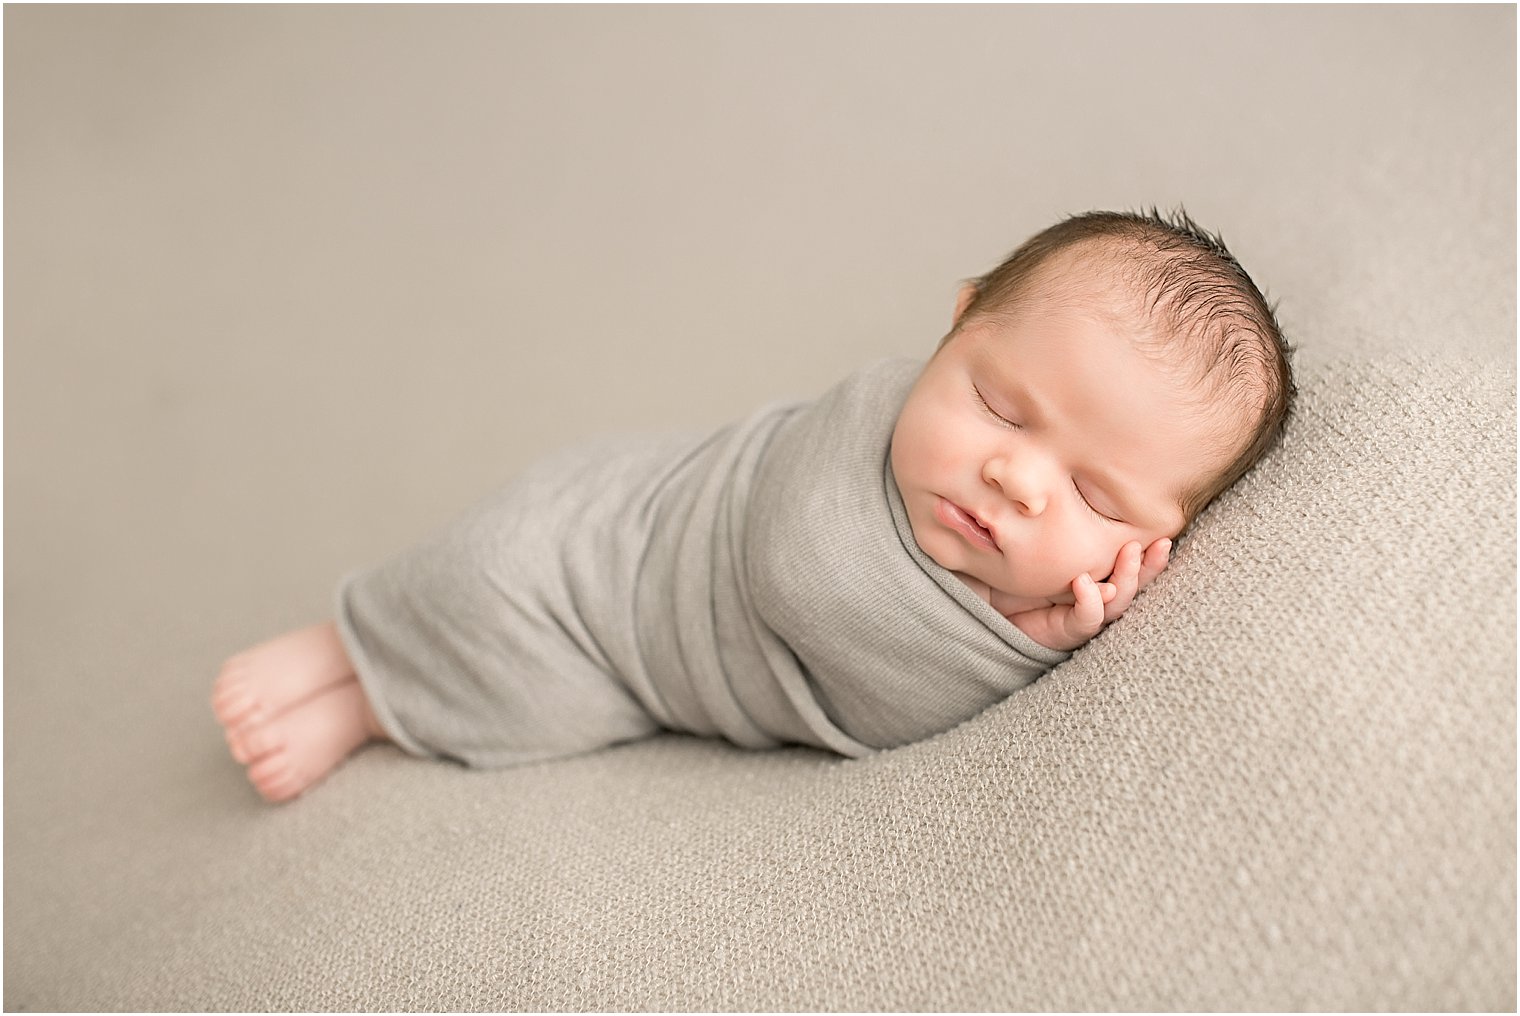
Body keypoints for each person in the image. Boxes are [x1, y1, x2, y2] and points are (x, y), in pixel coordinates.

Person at [213, 208, 1294, 803]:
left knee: (538, 701)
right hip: (624, 550)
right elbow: (796, 569)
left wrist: (1022, 642)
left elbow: (879, 714)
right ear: (956, 323)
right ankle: (339, 637)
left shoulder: (1037, 617)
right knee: (493, 567)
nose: (1015, 478)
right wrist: (1005, 630)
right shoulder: (861, 427)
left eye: (1092, 494)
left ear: (1154, 542)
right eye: (999, 406)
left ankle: (367, 705)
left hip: (625, 658)